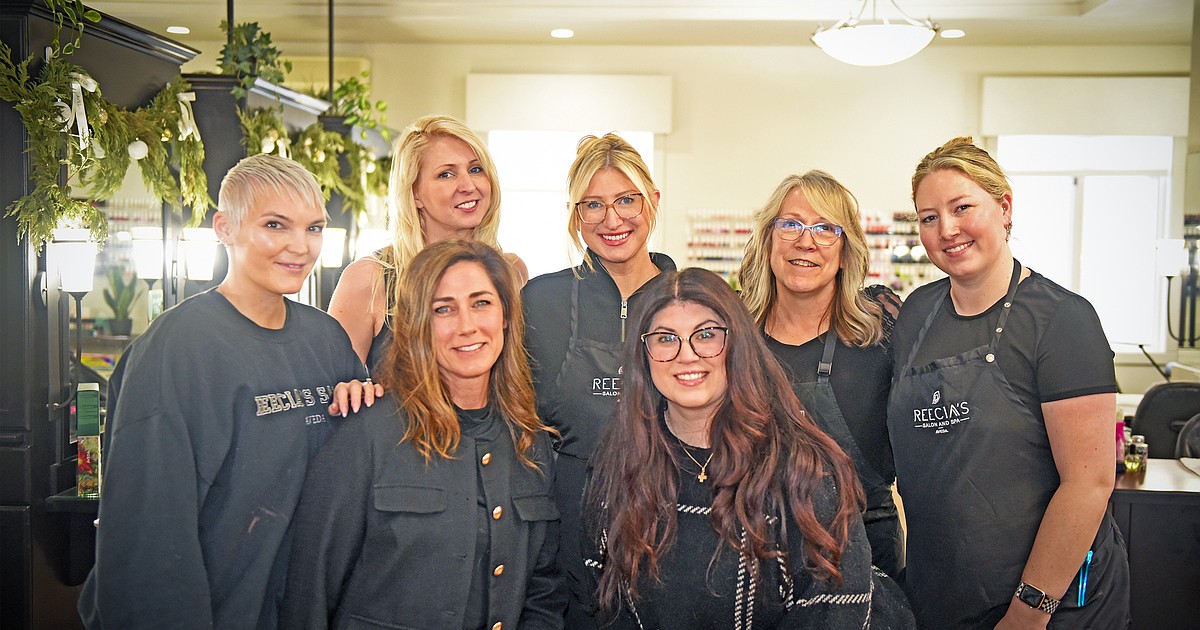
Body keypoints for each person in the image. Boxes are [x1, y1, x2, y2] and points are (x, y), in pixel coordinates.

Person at [77, 154, 365, 629]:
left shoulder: (327, 340)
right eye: (275, 225)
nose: (300, 247)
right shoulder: (177, 349)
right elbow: (146, 537)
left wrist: (365, 401)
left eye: (314, 228)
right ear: (224, 228)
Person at [583, 268, 914, 629]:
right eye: (666, 338)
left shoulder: (803, 467)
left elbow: (835, 608)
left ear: (736, 344)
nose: (686, 354)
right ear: (642, 353)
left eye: (706, 335)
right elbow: (604, 594)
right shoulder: (619, 459)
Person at [889, 137, 1129, 628]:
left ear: (1004, 208)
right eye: (929, 217)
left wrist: (1029, 612)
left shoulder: (1062, 321)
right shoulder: (915, 314)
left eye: (962, 208)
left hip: (1052, 605)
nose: (946, 229)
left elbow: (1088, 484)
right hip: (942, 593)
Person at [280, 239, 563, 629]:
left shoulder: (530, 441)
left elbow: (544, 593)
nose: (467, 326)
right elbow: (309, 592)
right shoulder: (368, 434)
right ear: (417, 326)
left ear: (506, 317)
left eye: (481, 303)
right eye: (443, 309)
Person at [521, 133, 675, 627]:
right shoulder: (539, 301)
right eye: (593, 205)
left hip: (669, 526)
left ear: (653, 200)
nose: (612, 220)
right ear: (574, 214)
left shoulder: (691, 302)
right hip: (562, 530)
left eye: (627, 200)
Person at [738, 170, 904, 578]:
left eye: (826, 228)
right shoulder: (736, 334)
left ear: (846, 252)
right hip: (761, 547)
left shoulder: (882, 327)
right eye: (791, 224)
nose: (805, 241)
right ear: (768, 240)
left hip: (868, 553)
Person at [327, 114, 527, 374]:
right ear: (415, 193)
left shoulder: (512, 270)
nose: (468, 185)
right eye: (446, 174)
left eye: (476, 169)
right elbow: (333, 386)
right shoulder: (369, 278)